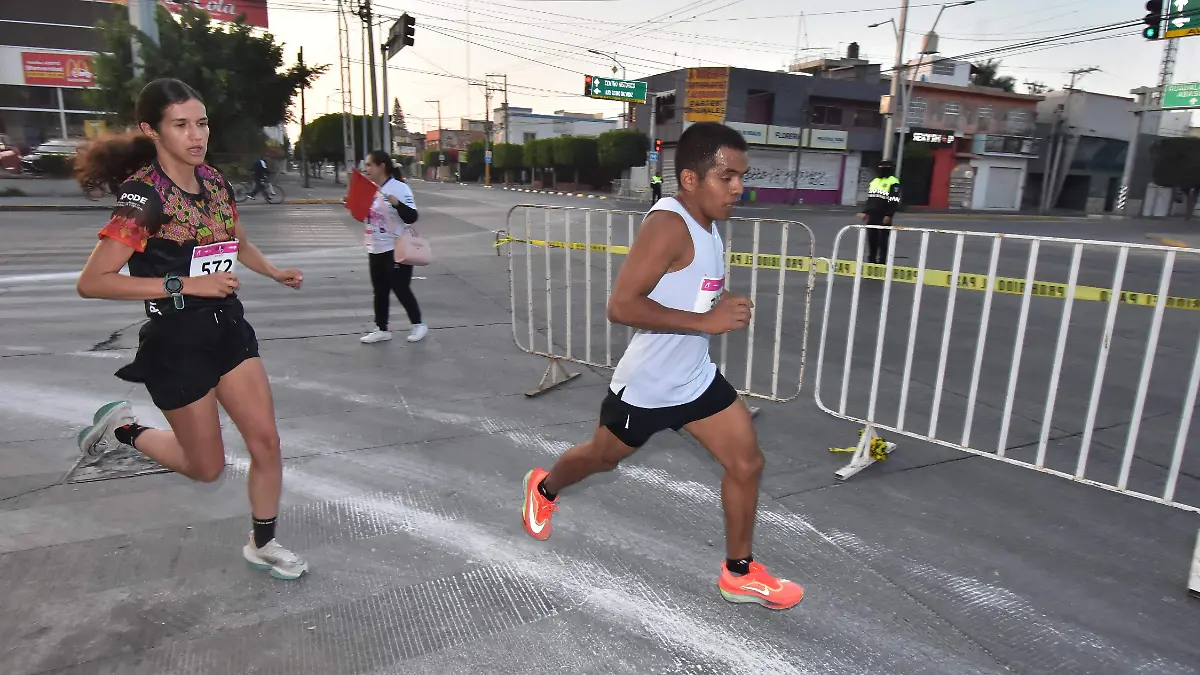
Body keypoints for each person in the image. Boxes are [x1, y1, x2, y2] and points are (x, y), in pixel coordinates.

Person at [520, 121, 804, 610]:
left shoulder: (709, 225)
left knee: (747, 463)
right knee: (602, 457)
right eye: (727, 177)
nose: (739, 188)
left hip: (694, 379)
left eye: (742, 176)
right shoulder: (668, 224)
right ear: (691, 179)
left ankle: (739, 573)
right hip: (648, 387)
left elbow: (690, 295)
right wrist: (707, 321)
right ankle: (543, 488)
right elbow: (622, 306)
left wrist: (712, 309)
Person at [72, 78, 308, 580]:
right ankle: (122, 429)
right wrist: (186, 284)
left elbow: (234, 238)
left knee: (266, 442)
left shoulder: (216, 182)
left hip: (228, 331)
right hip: (176, 343)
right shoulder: (143, 198)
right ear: (151, 130)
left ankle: (262, 543)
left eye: (200, 123)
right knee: (207, 468)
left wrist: (271, 270)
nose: (195, 135)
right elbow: (93, 282)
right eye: (180, 125)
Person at [359, 150, 427, 344]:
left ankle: (419, 324)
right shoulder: (370, 188)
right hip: (375, 247)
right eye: (366, 165)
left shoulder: (399, 188)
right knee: (379, 290)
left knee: (400, 288)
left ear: (382, 166)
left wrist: (397, 203)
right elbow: (369, 216)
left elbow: (412, 217)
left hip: (395, 247)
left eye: (370, 165)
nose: (367, 169)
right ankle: (382, 328)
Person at [860, 160, 901, 265]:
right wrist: (866, 212)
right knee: (872, 239)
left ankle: (882, 261)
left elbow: (894, 199)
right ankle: (872, 260)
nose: (882, 169)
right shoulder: (875, 181)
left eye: (885, 167)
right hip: (872, 215)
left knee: (882, 240)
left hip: (883, 215)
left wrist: (889, 214)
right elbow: (870, 199)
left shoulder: (893, 181)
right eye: (881, 167)